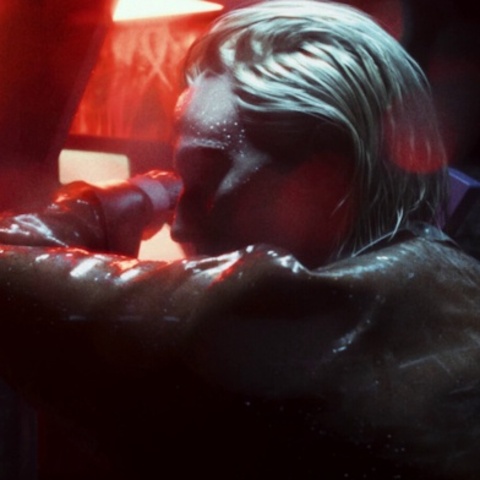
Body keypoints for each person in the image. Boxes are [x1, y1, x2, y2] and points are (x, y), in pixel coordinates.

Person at [0, 1, 479, 478]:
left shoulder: (280, 319)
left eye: (204, 179)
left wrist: (110, 204)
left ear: (327, 181)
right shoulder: (447, 282)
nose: (179, 227)